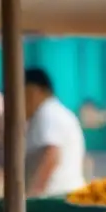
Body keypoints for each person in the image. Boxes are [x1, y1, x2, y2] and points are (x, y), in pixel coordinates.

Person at [24, 68, 86, 197]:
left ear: (33, 91)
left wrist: (32, 194)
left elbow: (51, 155)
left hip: (55, 197)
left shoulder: (48, 113)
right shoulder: (50, 112)